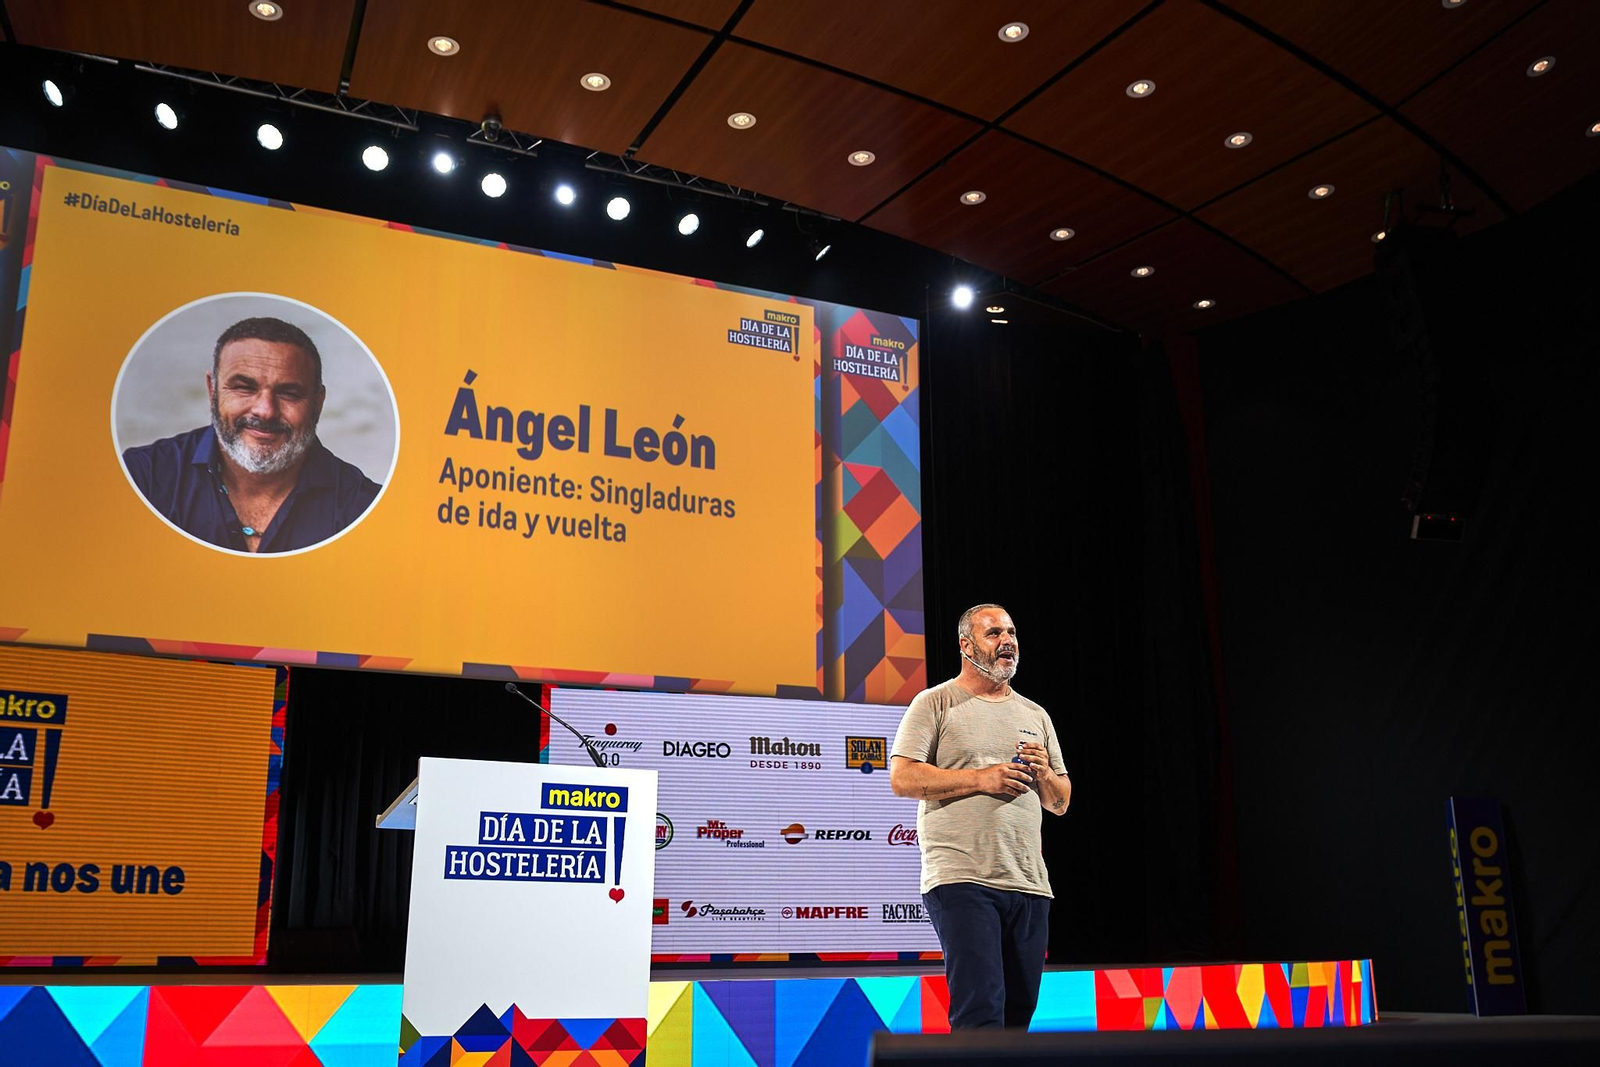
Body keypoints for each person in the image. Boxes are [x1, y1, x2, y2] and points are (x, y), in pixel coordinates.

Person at [889, 603, 1070, 1030]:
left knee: (1018, 1014)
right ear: (965, 645)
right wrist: (981, 779)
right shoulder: (935, 703)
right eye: (994, 634)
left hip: (1028, 882)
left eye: (1011, 632)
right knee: (980, 1012)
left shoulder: (1035, 715)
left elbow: (1060, 800)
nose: (1007, 641)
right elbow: (902, 777)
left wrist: (1044, 773)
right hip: (961, 878)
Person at [122, 316, 381, 553]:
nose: (265, 411)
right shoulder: (144, 479)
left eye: (289, 393)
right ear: (212, 390)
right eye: (244, 388)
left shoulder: (365, 508)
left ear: (318, 402)